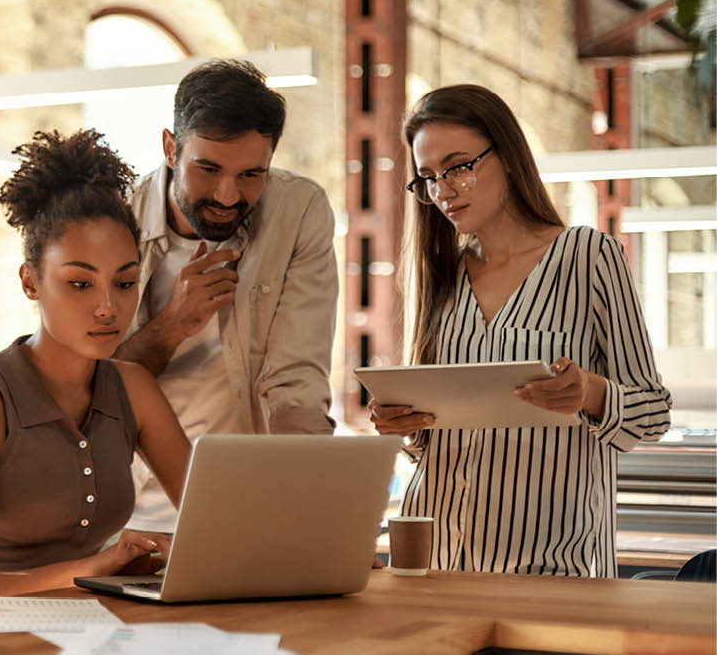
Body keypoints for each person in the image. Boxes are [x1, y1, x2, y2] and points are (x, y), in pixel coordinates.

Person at [370, 83, 672, 577]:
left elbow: (653, 413)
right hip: (438, 564)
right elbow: (429, 441)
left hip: (553, 568)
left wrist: (590, 392)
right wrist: (401, 421)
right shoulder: (440, 275)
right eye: (427, 177)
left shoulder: (588, 256)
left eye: (459, 166)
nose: (443, 190)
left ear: (506, 156)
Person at [0, 129, 192, 597]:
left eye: (125, 284)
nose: (109, 307)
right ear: (31, 281)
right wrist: (94, 567)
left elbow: (215, 519)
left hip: (86, 629)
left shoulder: (134, 388)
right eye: (80, 284)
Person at [116, 59, 338, 534]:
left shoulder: (298, 211)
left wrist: (323, 512)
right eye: (208, 168)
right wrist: (172, 324)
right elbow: (83, 389)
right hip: (129, 519)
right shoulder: (113, 222)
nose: (227, 194)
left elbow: (297, 381)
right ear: (171, 148)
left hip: (252, 515)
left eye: (251, 175)